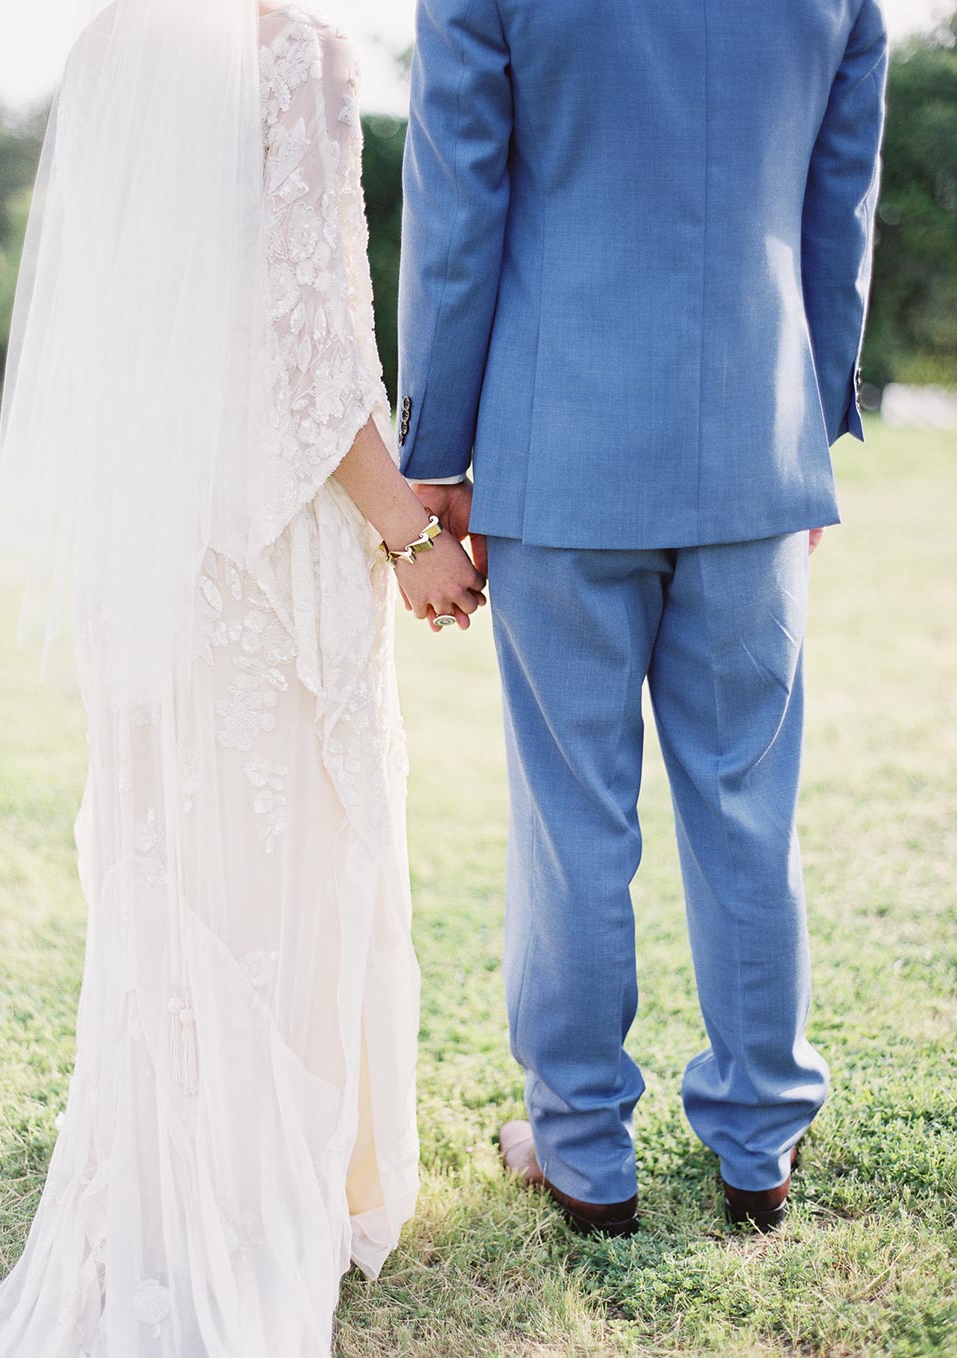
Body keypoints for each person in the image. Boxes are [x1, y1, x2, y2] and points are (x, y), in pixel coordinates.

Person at [0, 3, 484, 1354]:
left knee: (179, 851)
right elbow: (309, 357)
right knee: (293, 852)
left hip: (158, 534)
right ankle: (271, 1191)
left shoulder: (105, 49)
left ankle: (188, 1157)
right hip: (274, 539)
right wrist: (413, 532)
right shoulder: (294, 50)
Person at [398, 0, 887, 1234]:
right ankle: (756, 1146)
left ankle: (580, 1150)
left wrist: (437, 451)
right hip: (753, 449)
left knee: (572, 817)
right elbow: (841, 207)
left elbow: (459, 206)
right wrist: (809, 421)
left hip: (558, 453)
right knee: (745, 807)